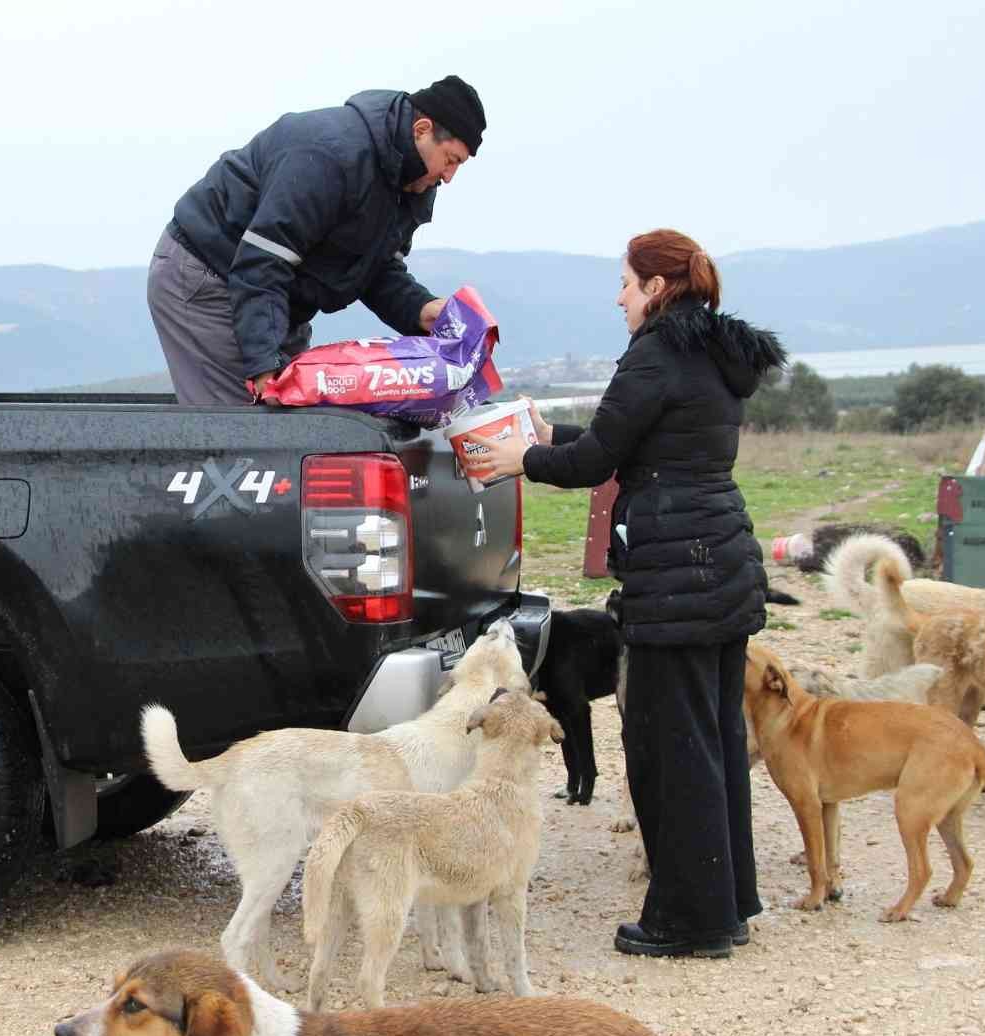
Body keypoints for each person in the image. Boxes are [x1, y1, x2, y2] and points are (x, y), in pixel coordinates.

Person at [463, 228, 786, 959]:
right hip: (722, 558)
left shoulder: (658, 352)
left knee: (670, 748)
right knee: (715, 736)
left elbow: (599, 460)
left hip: (675, 570)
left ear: (656, 288)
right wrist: (556, 431)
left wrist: (525, 456)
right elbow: (645, 438)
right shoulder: (709, 353)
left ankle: (688, 921)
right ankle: (726, 903)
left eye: (627, 283)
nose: (619, 297)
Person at [147, 76, 485, 406]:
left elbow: (374, 270)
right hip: (208, 275)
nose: (449, 176)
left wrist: (422, 309)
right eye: (451, 160)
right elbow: (262, 263)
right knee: (244, 432)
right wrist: (266, 368)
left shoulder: (414, 182)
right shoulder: (330, 156)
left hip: (275, 296)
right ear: (421, 130)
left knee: (291, 422)